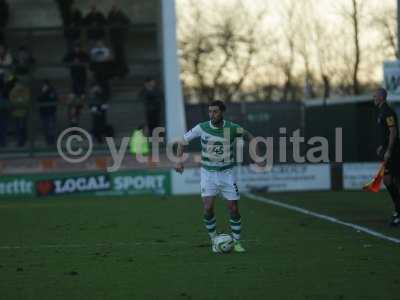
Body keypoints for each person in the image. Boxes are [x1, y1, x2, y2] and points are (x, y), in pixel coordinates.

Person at [175, 100, 261, 253]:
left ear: (222, 112)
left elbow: (250, 137)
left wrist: (257, 156)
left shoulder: (232, 128)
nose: (212, 115)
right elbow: (182, 141)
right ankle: (214, 239)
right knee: (208, 208)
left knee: (233, 208)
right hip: (208, 174)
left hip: (227, 174)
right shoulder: (202, 127)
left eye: (215, 111)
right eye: (210, 112)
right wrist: (179, 161)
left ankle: (236, 242)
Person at [374, 87, 400, 226]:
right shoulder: (381, 112)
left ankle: (398, 212)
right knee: (391, 180)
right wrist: (381, 147)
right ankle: (397, 212)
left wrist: (389, 149)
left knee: (389, 180)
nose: (374, 98)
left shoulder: (387, 112)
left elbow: (393, 132)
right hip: (388, 151)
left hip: (393, 152)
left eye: (375, 96)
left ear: (381, 97)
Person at [107, 4, 130, 77]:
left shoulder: (121, 14)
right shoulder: (110, 15)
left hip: (120, 38)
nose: (114, 9)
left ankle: (123, 72)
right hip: (114, 38)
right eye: (113, 8)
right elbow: (108, 23)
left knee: (121, 56)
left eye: (115, 8)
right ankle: (117, 72)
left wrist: (119, 25)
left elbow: (127, 22)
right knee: (116, 56)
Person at [36, 80, 58, 145]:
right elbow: (39, 99)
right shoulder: (41, 91)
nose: (45, 87)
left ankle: (52, 141)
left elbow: (53, 99)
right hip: (43, 112)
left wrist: (45, 93)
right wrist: (43, 92)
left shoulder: (52, 91)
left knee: (51, 128)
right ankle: (48, 141)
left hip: (51, 112)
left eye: (46, 85)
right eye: (44, 86)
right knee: (45, 127)